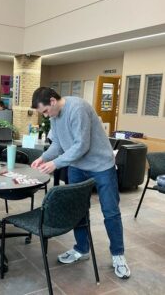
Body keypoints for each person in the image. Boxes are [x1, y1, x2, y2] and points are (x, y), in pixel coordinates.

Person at [31, 87, 130, 279]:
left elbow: (81, 145)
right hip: (77, 166)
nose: (45, 116)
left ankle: (118, 255)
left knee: (110, 211)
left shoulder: (78, 108)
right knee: (77, 209)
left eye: (44, 111)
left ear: (52, 101)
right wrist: (43, 158)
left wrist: (56, 163)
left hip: (101, 165)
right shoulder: (54, 116)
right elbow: (58, 144)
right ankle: (82, 248)